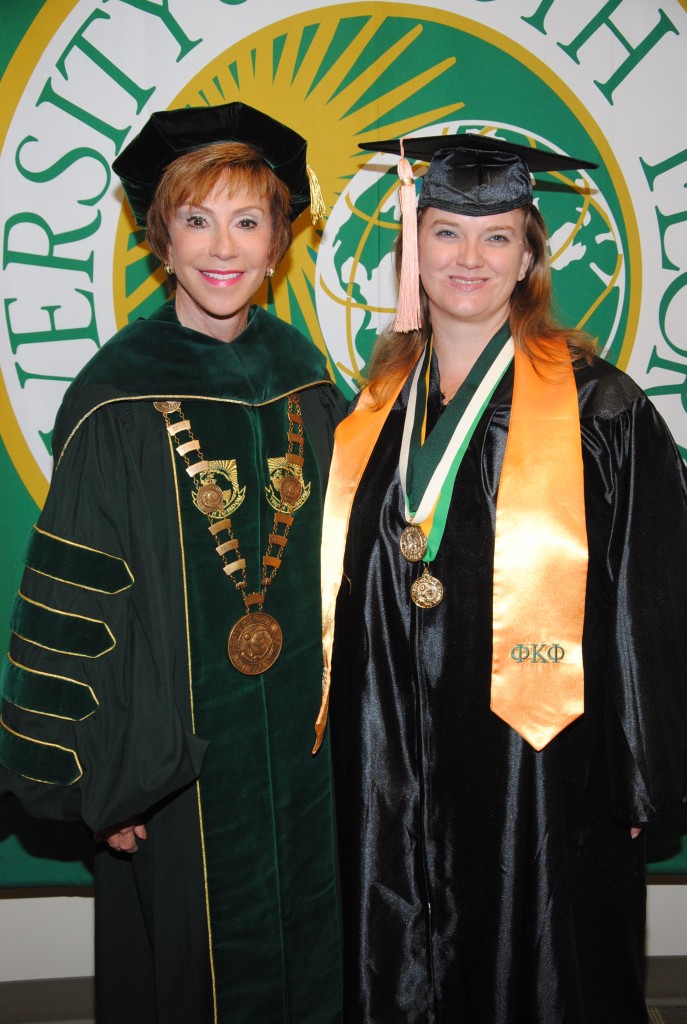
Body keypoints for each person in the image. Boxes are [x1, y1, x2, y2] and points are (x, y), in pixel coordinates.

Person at [314, 131, 687, 1023]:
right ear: (413, 251)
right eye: (444, 233)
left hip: (539, 761)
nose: (467, 258)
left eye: (495, 237)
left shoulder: (602, 407)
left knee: (540, 964)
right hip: (391, 755)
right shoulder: (372, 411)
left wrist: (639, 769)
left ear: (528, 258)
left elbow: (651, 597)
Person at [0, 102, 343, 1024]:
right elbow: (74, 611)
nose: (221, 246)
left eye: (246, 219)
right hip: (175, 774)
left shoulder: (311, 385)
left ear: (279, 242)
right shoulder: (118, 403)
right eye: (196, 219)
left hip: (313, 769)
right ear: (161, 240)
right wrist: (92, 779)